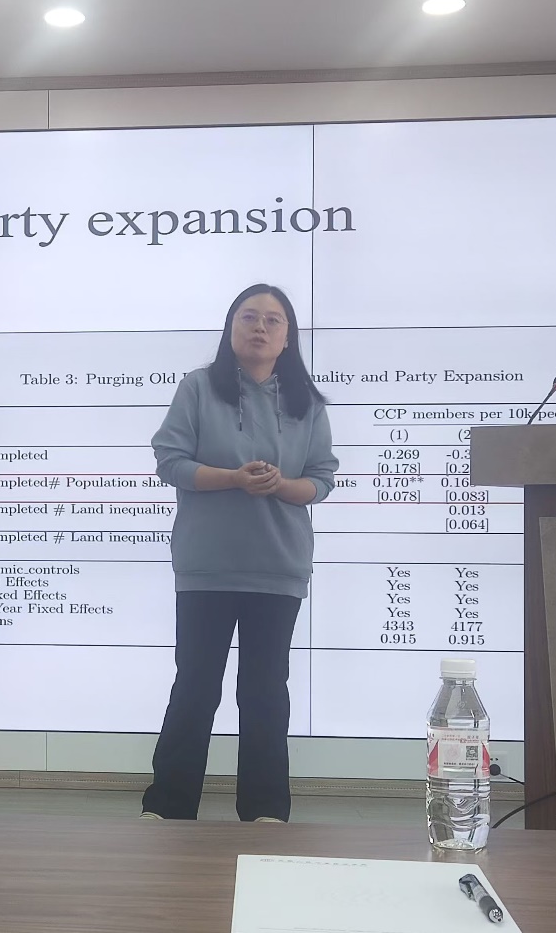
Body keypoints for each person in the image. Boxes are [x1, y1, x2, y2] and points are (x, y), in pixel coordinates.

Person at [140, 283, 337, 823]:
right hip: (206, 566)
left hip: (278, 566)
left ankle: (266, 811)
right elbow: (170, 462)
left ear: (288, 336)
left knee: (265, 692)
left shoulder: (306, 402)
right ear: (231, 328)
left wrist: (281, 486)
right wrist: (233, 477)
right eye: (249, 317)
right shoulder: (199, 387)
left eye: (274, 320)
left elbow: (322, 479)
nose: (260, 328)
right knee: (195, 688)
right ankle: (169, 807)